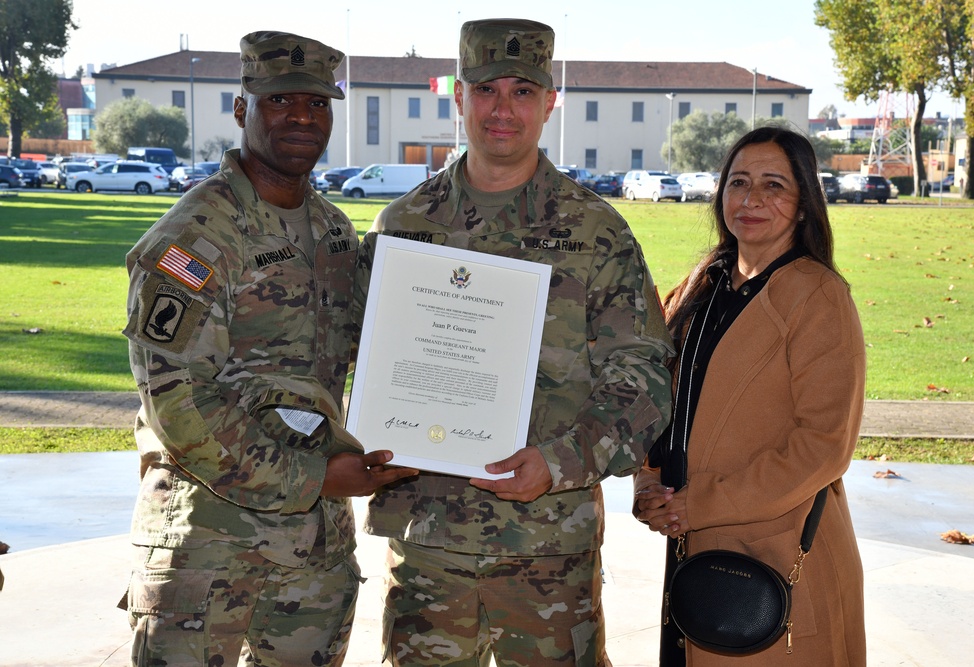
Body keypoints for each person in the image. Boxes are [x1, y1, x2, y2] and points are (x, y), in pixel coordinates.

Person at [354, 17, 674, 667]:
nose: (503, 109)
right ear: (459, 97)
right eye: (486, 90)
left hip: (547, 555)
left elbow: (643, 381)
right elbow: (362, 358)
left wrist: (559, 461)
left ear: (550, 103)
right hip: (428, 552)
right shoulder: (404, 227)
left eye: (522, 92)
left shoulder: (596, 234)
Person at [120, 31, 416, 667]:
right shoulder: (195, 239)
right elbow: (180, 406)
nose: (302, 117)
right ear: (241, 110)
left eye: (317, 103)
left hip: (315, 550)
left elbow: (381, 342)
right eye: (280, 100)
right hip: (210, 544)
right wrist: (314, 477)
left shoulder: (334, 230)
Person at [634, 126, 867, 665]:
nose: (752, 199)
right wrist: (649, 481)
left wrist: (700, 503)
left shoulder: (817, 297)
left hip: (777, 552)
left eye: (773, 185)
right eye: (739, 182)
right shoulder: (703, 287)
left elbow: (824, 446)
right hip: (695, 551)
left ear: (805, 203)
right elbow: (667, 405)